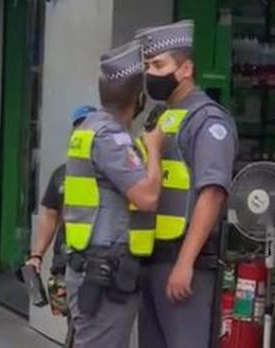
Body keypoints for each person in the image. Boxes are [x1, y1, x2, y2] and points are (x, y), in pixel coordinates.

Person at [134, 20, 237, 348]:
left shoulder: (208, 121)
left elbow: (212, 193)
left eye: (160, 65)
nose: (151, 73)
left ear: (186, 69)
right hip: (152, 261)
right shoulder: (162, 116)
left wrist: (185, 263)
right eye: (148, 65)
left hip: (183, 263)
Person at [63, 41, 165, 348]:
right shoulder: (111, 137)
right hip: (104, 270)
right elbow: (146, 197)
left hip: (91, 264)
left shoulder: (89, 128)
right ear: (139, 98)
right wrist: (156, 150)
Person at [25, 104, 95, 347]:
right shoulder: (61, 174)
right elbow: (50, 217)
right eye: (79, 128)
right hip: (64, 264)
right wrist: (36, 256)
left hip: (96, 265)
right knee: (72, 323)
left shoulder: (109, 172)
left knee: (85, 328)